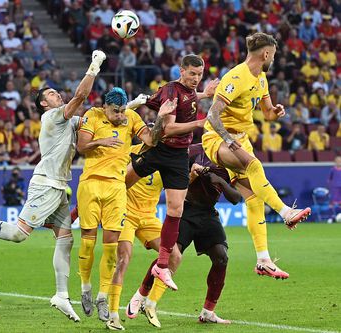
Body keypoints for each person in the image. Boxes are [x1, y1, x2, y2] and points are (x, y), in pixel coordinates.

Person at [0, 50, 108, 322]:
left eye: (55, 92)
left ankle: (61, 295)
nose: (56, 94)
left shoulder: (69, 120)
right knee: (19, 234)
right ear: (44, 105)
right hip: (46, 185)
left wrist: (129, 108)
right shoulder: (52, 118)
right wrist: (94, 65)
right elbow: (80, 97)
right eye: (50, 94)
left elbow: (101, 119)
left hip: (59, 187)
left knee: (65, 239)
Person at [203, 32, 311, 279]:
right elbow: (212, 114)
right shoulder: (237, 76)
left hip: (241, 138)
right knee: (253, 164)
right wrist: (228, 140)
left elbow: (267, 112)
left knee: (254, 199)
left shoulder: (261, 78)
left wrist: (276, 112)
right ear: (265, 54)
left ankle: (263, 259)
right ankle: (286, 212)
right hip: (219, 138)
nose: (274, 58)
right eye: (273, 54)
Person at [121, 54, 219, 290]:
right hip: (159, 148)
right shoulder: (172, 90)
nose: (196, 78)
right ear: (181, 71)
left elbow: (191, 98)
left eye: (199, 74)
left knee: (176, 208)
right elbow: (169, 127)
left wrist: (206, 93)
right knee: (120, 182)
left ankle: (162, 265)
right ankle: (77, 213)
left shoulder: (188, 92)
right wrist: (199, 123)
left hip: (178, 156)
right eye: (192, 74)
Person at [75, 87, 170, 322]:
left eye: (121, 111)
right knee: (88, 243)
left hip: (116, 188)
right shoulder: (92, 116)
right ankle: (86, 288)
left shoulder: (131, 118)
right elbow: (81, 146)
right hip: (91, 183)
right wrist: (101, 141)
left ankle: (102, 296)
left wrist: (159, 120)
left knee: (110, 248)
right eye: (115, 111)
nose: (119, 115)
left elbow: (150, 139)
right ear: (104, 107)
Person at [125, 144, 242, 329]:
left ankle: (208, 312)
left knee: (221, 257)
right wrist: (194, 175)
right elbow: (177, 184)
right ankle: (141, 295)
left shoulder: (232, 163)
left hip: (208, 214)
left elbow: (236, 198)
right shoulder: (193, 152)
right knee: (171, 253)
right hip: (185, 211)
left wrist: (219, 181)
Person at [105, 143, 182, 330]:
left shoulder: (167, 157)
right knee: (123, 259)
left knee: (175, 256)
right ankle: (113, 315)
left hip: (149, 216)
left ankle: (150, 303)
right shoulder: (129, 151)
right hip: (125, 214)